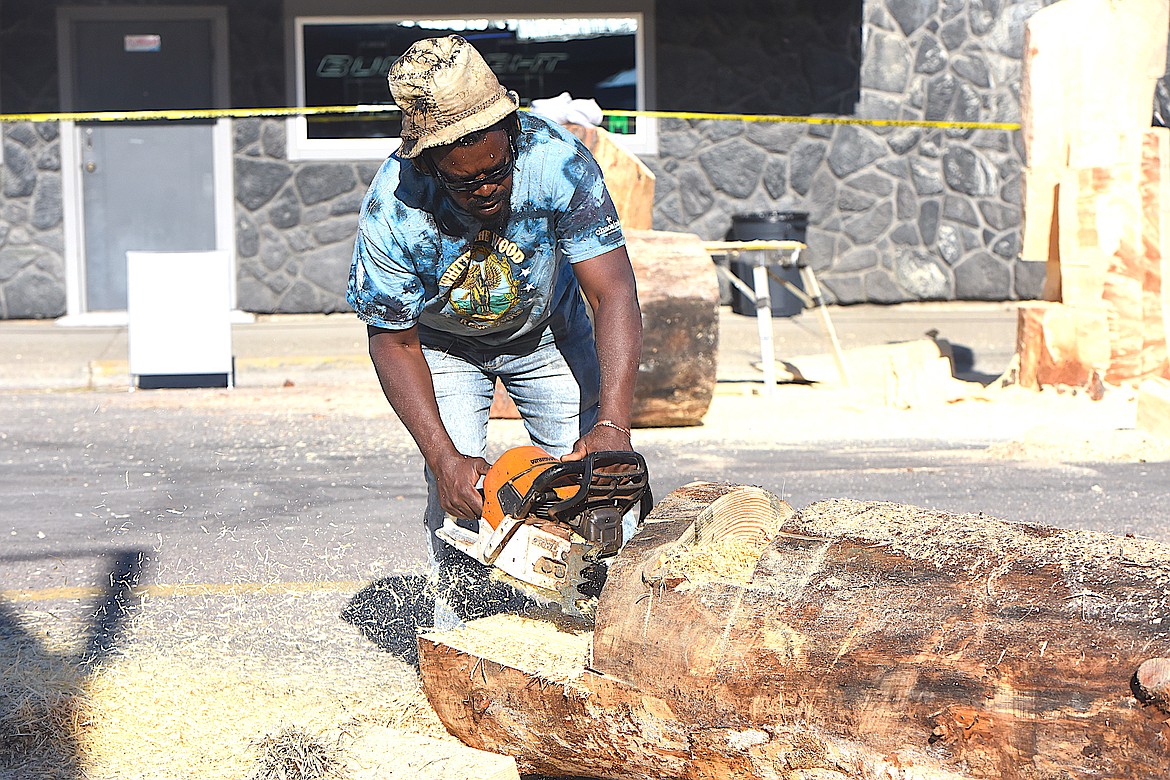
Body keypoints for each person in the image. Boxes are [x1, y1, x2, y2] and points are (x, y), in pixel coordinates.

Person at [347, 35, 643, 627]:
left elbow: (612, 291)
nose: (486, 188)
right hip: (442, 346)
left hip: (547, 334)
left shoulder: (557, 160)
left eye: (496, 170)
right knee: (460, 502)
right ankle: (470, 649)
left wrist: (612, 423)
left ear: (510, 130)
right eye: (464, 182)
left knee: (596, 482)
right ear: (429, 162)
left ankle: (601, 633)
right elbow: (392, 340)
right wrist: (442, 457)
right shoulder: (395, 207)